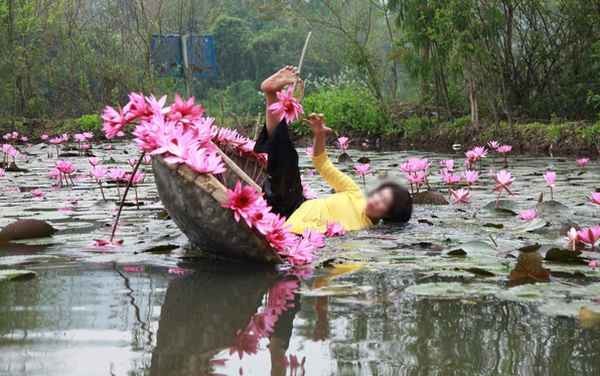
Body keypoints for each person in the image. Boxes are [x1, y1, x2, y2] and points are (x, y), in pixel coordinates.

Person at [254, 66, 412, 235]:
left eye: (383, 202)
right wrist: (319, 135)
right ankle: (271, 94)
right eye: (379, 195)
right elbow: (323, 164)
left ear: (388, 215)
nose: (375, 199)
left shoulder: (361, 231)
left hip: (295, 233)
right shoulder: (354, 193)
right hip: (295, 205)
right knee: (288, 158)